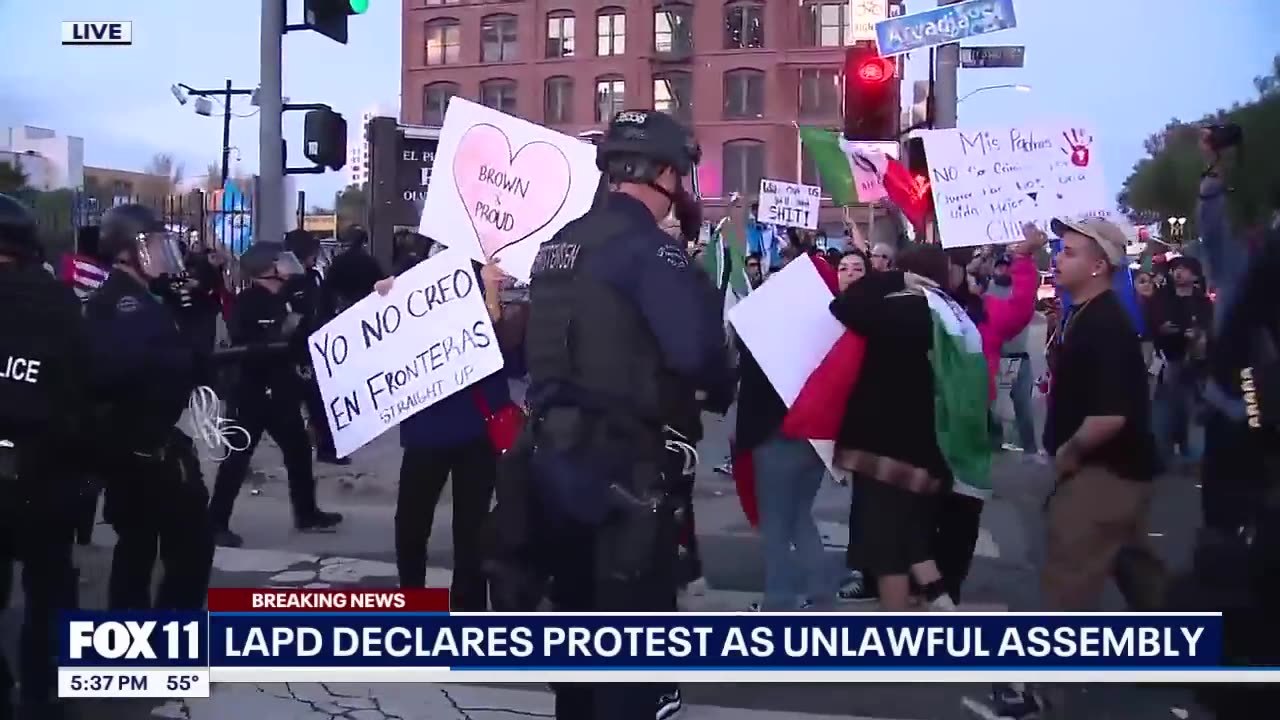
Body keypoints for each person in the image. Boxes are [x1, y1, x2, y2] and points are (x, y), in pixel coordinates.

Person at [487, 109, 730, 720]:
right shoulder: (649, 252)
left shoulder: (558, 247)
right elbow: (699, 356)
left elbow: (533, 346)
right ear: (668, 174)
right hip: (621, 470)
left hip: (547, 465)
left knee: (575, 649)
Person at [983, 217, 1161, 719]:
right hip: (1117, 471)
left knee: (1064, 583)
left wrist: (1067, 455)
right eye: (1061, 250)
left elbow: (1109, 415)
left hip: (1102, 474)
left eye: (1071, 252)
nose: (1058, 259)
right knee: (1138, 571)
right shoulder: (1083, 314)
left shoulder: (1106, 324)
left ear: (1100, 265)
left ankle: (1040, 693)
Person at [83, 203, 216, 611]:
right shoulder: (125, 306)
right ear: (128, 251)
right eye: (155, 245)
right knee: (186, 550)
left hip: (141, 447)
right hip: (146, 452)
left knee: (138, 549)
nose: (163, 253)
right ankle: (165, 642)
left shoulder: (142, 298)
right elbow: (161, 368)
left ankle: (136, 642)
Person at [371, 251, 518, 611]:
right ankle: (413, 601)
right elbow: (380, 340)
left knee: (471, 528)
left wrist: (492, 292)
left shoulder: (490, 283)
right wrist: (382, 299)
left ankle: (466, 609)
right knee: (412, 523)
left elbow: (506, 352)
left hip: (476, 429)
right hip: (428, 429)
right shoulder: (415, 279)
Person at [0, 194, 85, 718]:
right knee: (49, 586)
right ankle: (43, 689)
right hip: (42, 472)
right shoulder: (58, 303)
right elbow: (78, 392)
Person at [209, 241, 343, 547]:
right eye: (280, 261)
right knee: (237, 458)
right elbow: (246, 343)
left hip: (281, 391)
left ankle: (306, 513)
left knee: (298, 453)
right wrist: (280, 336)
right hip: (252, 393)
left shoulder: (286, 296)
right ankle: (215, 522)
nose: (287, 264)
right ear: (268, 269)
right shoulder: (248, 302)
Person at [284, 229, 344, 466]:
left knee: (318, 401)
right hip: (299, 348)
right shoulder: (292, 280)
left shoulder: (313, 277)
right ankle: (319, 446)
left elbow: (322, 307)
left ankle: (326, 446)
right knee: (304, 402)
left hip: (316, 344)